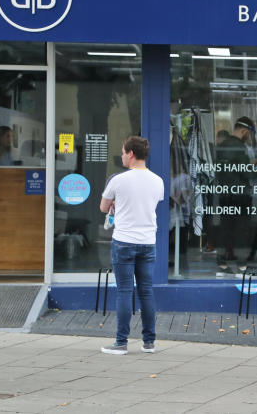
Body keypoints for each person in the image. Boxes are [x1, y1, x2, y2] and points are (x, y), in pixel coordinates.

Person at [99, 136, 165, 355]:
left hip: (124, 242)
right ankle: (149, 342)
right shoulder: (158, 180)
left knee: (125, 291)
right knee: (146, 291)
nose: (121, 155)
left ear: (131, 154)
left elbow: (103, 207)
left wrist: (117, 205)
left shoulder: (118, 180)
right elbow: (150, 204)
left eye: (123, 152)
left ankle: (121, 342)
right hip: (148, 242)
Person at [214, 116, 256, 272]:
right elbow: (245, 173)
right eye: (249, 134)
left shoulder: (222, 145)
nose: (249, 138)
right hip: (241, 194)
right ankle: (242, 265)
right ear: (244, 131)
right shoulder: (239, 147)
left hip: (224, 193)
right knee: (241, 229)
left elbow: (227, 169)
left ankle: (221, 263)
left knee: (224, 227)